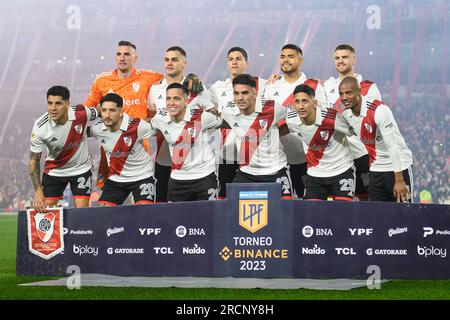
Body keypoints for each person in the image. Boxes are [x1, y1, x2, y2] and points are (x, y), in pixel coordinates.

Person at [85, 40, 201, 188]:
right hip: (110, 146)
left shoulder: (149, 78)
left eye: (127, 54)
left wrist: (191, 77)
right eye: (119, 54)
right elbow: (87, 109)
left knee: (140, 197)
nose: (122, 58)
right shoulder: (102, 81)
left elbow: (173, 77)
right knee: (108, 194)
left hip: (139, 145)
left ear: (135, 58)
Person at [148, 46, 214, 202]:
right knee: (165, 211)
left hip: (195, 166)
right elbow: (153, 121)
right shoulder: (155, 90)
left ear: (184, 63)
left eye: (175, 59)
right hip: (165, 160)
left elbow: (214, 115)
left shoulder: (198, 87)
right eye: (166, 59)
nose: (169, 63)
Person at [264, 44, 328, 199]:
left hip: (306, 157)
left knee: (306, 203)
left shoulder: (314, 86)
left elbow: (324, 119)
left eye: (291, 56)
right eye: (282, 56)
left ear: (301, 60)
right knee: (280, 206)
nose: (285, 60)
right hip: (277, 159)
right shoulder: (272, 87)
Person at [339, 77, 413, 203]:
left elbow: (392, 146)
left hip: (399, 166)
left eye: (349, 92)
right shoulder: (345, 113)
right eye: (341, 94)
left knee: (404, 214)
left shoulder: (379, 110)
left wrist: (399, 180)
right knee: (377, 215)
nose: (344, 97)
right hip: (375, 168)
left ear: (359, 91)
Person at [324, 44, 382, 201]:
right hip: (335, 156)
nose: (340, 61)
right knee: (338, 204)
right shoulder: (327, 86)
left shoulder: (368, 88)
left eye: (345, 57)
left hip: (361, 153)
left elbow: (376, 123)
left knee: (367, 200)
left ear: (354, 59)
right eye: (337, 58)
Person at [220, 74, 292, 198]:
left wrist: (277, 132)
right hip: (246, 173)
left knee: (284, 212)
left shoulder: (273, 108)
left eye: (245, 93)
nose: (240, 98)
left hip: (275, 170)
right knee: (232, 212)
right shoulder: (228, 112)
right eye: (236, 93)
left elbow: (294, 120)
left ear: (254, 93)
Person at [29, 86, 99, 212]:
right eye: (50, 103)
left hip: (81, 169)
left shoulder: (82, 113)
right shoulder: (40, 127)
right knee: (46, 212)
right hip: (55, 171)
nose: (53, 108)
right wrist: (38, 191)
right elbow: (33, 161)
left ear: (67, 104)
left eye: (58, 103)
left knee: (81, 212)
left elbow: (102, 111)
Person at [209, 47, 267, 199]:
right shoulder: (216, 88)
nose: (234, 62)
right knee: (225, 197)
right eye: (231, 59)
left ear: (247, 63)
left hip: (255, 153)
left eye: (238, 58)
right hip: (228, 153)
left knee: (255, 197)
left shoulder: (262, 85)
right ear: (227, 64)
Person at [150, 83, 221, 202]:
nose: (171, 103)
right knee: (177, 220)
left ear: (186, 101)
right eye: (168, 98)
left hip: (204, 177)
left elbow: (227, 121)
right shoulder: (160, 119)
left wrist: (210, 106)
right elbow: (141, 129)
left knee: (209, 218)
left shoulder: (202, 117)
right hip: (177, 180)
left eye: (176, 98)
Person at [286, 84, 354, 200]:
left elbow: (353, 131)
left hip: (341, 170)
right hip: (315, 173)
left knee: (344, 214)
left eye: (305, 101)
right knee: (311, 216)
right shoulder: (291, 120)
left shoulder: (332, 117)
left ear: (315, 103)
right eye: (297, 102)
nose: (301, 106)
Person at [88, 93, 158, 206]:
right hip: (116, 179)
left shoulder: (138, 126)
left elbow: (160, 129)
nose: (107, 115)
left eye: (112, 110)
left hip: (142, 176)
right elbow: (79, 132)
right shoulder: (97, 129)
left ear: (121, 112)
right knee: (103, 214)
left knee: (144, 212)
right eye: (104, 110)